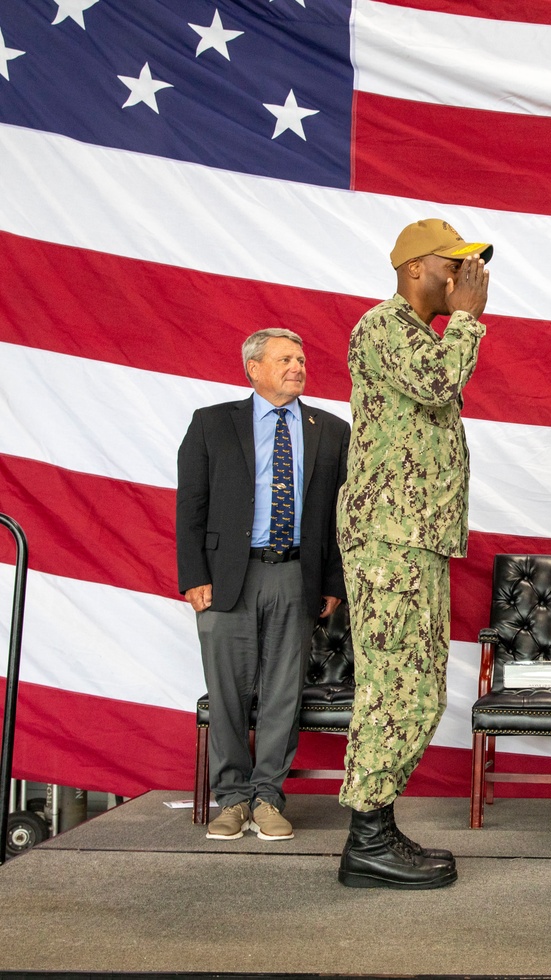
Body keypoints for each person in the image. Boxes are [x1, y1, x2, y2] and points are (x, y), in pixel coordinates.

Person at [335, 218, 491, 890]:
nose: (462, 276)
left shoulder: (417, 334)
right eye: (452, 264)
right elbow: (437, 384)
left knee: (419, 688)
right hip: (387, 543)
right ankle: (366, 841)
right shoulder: (383, 327)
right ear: (414, 268)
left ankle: (378, 825)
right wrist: (468, 320)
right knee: (392, 685)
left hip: (416, 541)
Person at [177, 328, 350, 842]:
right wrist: (193, 576)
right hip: (227, 578)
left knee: (282, 693)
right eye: (285, 359)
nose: (298, 366)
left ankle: (269, 796)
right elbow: (191, 505)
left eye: (301, 358)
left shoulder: (332, 430)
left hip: (298, 575)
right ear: (253, 368)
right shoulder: (211, 424)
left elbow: (340, 517)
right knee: (227, 693)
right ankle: (231, 799)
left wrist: (332, 579)